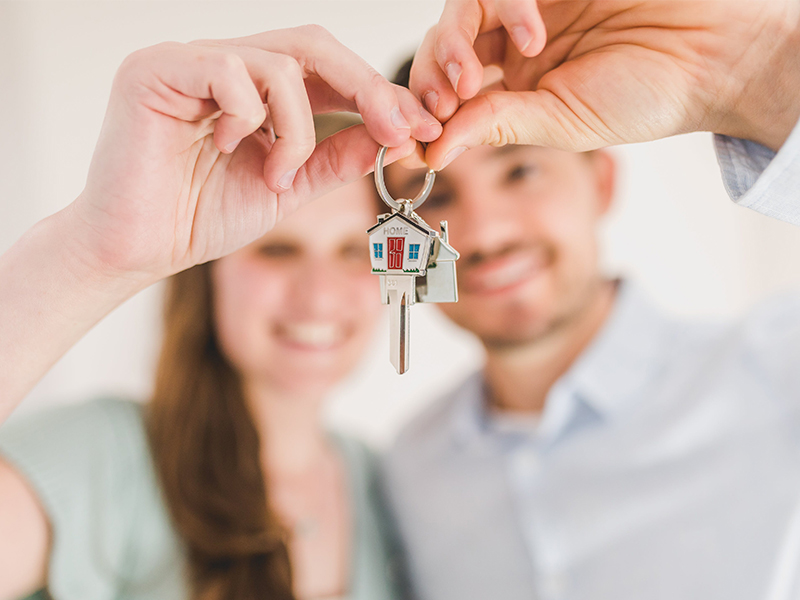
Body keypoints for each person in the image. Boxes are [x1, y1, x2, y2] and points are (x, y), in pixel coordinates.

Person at [0, 27, 442, 600]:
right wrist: (91, 254)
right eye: (278, 250)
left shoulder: (383, 484)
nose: (320, 296)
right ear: (209, 276)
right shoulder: (103, 457)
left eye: (355, 252)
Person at [380, 2, 800, 597]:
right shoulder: (407, 469)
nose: (483, 234)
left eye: (521, 170)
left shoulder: (781, 368)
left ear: (600, 183)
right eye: (434, 196)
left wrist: (764, 67)